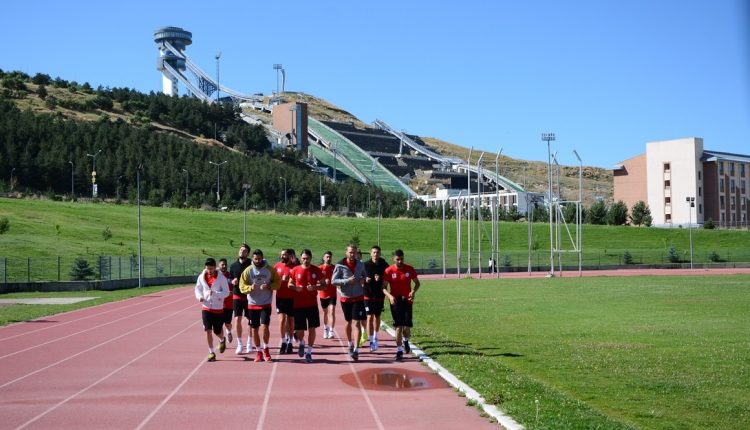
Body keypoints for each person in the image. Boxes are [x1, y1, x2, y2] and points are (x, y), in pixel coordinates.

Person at [239, 249, 281, 363]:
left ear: (263, 258)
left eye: (259, 258)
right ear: (252, 258)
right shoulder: (248, 271)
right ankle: (258, 351)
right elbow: (241, 286)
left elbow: (278, 282)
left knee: (265, 327)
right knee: (254, 329)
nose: (257, 261)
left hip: (265, 303)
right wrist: (249, 288)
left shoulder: (270, 270)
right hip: (252, 304)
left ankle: (265, 348)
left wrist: (269, 286)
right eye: (255, 259)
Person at [382, 249, 421, 361]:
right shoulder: (389, 271)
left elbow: (417, 283)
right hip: (395, 301)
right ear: (394, 259)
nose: (400, 261)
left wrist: (413, 291)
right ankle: (399, 350)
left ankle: (406, 341)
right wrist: (390, 296)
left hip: (407, 301)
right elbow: (383, 288)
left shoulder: (409, 269)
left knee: (407, 327)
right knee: (398, 327)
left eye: (401, 259)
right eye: (397, 259)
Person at [331, 244, 367, 361]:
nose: (352, 254)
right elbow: (333, 281)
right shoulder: (340, 265)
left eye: (354, 252)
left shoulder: (361, 264)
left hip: (358, 297)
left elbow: (364, 277)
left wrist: (363, 280)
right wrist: (347, 281)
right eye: (350, 252)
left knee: (356, 323)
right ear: (346, 252)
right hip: (346, 298)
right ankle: (350, 343)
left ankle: (356, 349)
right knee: (348, 322)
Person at [289, 249, 325, 363]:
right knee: (299, 330)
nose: (305, 260)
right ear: (301, 258)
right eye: (303, 258)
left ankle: (309, 351)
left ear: (311, 258)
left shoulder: (316, 270)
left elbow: (324, 285)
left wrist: (314, 288)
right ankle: (302, 342)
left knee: (312, 328)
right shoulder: (295, 270)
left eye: (307, 258)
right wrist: (296, 288)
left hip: (312, 305)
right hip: (298, 305)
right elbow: (290, 283)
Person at [194, 257, 230, 362]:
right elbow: (198, 288)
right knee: (207, 330)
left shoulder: (221, 278)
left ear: (215, 267)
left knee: (217, 331)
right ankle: (211, 352)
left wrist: (216, 294)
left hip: (218, 308)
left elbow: (226, 292)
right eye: (208, 268)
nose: (209, 270)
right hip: (206, 307)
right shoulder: (201, 277)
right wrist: (199, 296)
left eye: (211, 268)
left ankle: (222, 340)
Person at [363, 245, 388, 351]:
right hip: (367, 294)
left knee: (377, 317)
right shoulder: (365, 265)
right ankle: (371, 339)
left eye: (377, 252)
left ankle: (376, 336)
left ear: (380, 253)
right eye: (374, 252)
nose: (376, 254)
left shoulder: (384, 264)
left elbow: (388, 277)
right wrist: (365, 279)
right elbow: (360, 277)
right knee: (369, 317)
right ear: (370, 253)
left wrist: (381, 278)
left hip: (379, 295)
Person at [229, 244, 252, 354]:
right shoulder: (233, 266)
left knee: (250, 321)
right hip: (237, 295)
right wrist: (232, 281)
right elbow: (230, 278)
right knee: (237, 319)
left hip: (249, 296)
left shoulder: (251, 264)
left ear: (248, 253)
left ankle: (249, 343)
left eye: (244, 250)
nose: (241, 252)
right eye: (241, 250)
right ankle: (239, 344)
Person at [274, 248, 297, 354]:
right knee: (282, 320)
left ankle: (290, 342)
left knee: (291, 320)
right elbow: (272, 280)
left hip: (292, 297)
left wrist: (289, 281)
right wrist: (279, 280)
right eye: (281, 254)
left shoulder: (294, 267)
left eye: (284, 255)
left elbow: (298, 281)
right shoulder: (277, 266)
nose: (283, 256)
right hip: (280, 297)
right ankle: (283, 341)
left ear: (289, 256)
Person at [318, 251, 336, 339]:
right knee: (325, 312)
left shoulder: (334, 268)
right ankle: (325, 329)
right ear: (324, 258)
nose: (328, 258)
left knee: (332, 311)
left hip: (332, 294)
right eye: (327, 257)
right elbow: (316, 282)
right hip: (323, 294)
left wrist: (334, 282)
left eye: (330, 257)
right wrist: (323, 282)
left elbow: (338, 279)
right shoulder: (320, 268)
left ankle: (331, 331)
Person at [218, 258, 234, 347]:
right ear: (218, 266)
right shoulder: (216, 276)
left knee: (227, 323)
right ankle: (222, 339)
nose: (224, 266)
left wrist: (232, 293)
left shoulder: (230, 276)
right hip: (218, 305)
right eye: (222, 264)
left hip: (229, 304)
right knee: (219, 325)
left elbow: (235, 287)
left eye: (225, 265)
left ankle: (228, 332)